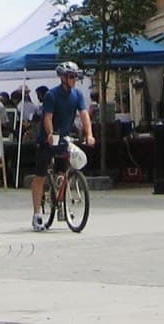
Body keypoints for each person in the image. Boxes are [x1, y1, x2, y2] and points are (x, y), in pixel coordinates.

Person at [31, 61, 95, 231]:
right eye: (71, 76)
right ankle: (37, 214)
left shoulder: (77, 95)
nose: (75, 79)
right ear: (63, 78)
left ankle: (61, 202)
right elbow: (47, 117)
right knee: (40, 175)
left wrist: (89, 134)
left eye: (76, 76)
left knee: (63, 170)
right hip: (48, 139)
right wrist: (50, 134)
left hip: (64, 138)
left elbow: (84, 115)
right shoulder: (52, 95)